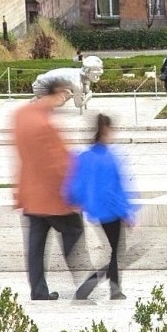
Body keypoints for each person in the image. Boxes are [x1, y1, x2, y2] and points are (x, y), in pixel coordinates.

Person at [13, 79, 87, 301]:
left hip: (30, 192)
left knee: (35, 245)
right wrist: (75, 195)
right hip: (52, 197)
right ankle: (85, 284)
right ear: (58, 93)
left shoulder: (21, 115)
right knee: (73, 231)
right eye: (65, 95)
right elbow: (58, 164)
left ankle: (38, 290)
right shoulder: (45, 125)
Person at [66, 115, 136, 301]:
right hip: (112, 212)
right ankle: (100, 287)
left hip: (96, 212)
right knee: (116, 253)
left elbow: (76, 183)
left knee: (114, 253)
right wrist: (126, 212)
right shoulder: (109, 158)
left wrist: (75, 201)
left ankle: (111, 289)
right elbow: (115, 188)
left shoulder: (86, 156)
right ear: (106, 130)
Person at [30, 56, 104, 113]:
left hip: (46, 84)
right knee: (61, 101)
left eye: (101, 69)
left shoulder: (80, 73)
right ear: (87, 71)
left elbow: (85, 88)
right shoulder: (77, 82)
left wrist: (86, 88)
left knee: (67, 94)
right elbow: (78, 105)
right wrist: (88, 97)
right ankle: (39, 103)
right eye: (97, 70)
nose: (101, 72)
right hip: (41, 87)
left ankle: (42, 99)